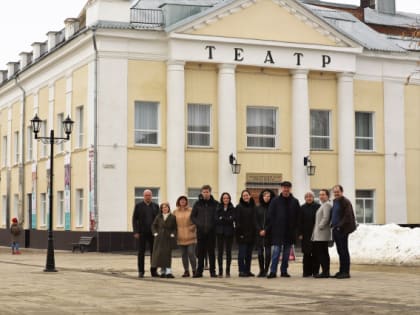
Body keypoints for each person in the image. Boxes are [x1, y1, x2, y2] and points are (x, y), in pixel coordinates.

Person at [267, 181, 301, 278]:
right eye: (284, 187)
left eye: (288, 188)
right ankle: (273, 271)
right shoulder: (275, 201)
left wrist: (296, 229)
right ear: (281, 188)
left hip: (290, 232)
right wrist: (274, 227)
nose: (286, 189)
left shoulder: (295, 201)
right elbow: (270, 215)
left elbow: (298, 216)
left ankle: (284, 271)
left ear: (290, 189)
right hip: (278, 232)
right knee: (276, 253)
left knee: (286, 254)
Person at [191, 185, 218, 278]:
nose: (206, 194)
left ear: (210, 192)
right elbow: (193, 217)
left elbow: (217, 216)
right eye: (204, 192)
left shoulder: (215, 204)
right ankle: (199, 271)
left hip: (212, 231)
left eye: (207, 192)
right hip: (201, 231)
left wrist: (213, 224)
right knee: (200, 252)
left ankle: (213, 271)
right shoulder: (197, 204)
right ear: (201, 193)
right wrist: (198, 224)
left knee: (211, 252)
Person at [132, 189, 160, 278]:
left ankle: (154, 271)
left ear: (151, 196)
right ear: (143, 196)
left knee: (154, 253)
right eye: (146, 195)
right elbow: (134, 219)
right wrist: (136, 231)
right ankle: (141, 271)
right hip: (142, 233)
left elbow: (159, 220)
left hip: (153, 233)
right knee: (141, 252)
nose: (148, 197)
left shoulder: (155, 206)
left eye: (149, 195)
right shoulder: (138, 206)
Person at [331, 185, 357, 279]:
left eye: (338, 192)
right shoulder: (335, 201)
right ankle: (341, 271)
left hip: (342, 230)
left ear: (342, 192)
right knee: (339, 251)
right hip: (336, 229)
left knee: (344, 251)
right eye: (334, 192)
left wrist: (339, 226)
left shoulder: (345, 202)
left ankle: (346, 272)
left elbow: (347, 216)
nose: (336, 193)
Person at [151, 202, 177, 278]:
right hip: (159, 238)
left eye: (166, 207)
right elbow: (153, 225)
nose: (164, 208)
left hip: (168, 237)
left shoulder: (172, 217)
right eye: (163, 207)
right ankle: (162, 271)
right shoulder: (158, 217)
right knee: (159, 255)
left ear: (168, 208)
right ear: (161, 209)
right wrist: (155, 233)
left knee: (167, 254)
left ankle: (168, 272)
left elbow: (175, 228)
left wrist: (173, 234)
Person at [173, 195, 197, 277]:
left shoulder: (191, 210)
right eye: (181, 200)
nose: (182, 202)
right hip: (180, 236)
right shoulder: (175, 212)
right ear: (178, 202)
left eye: (184, 200)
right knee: (183, 254)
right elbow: (173, 223)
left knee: (191, 253)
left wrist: (193, 227)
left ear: (186, 201)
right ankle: (186, 271)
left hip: (190, 235)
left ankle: (194, 270)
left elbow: (196, 220)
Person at [298, 191, 320, 277]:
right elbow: (299, 222)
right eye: (307, 196)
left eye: (310, 196)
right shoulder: (302, 208)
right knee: (306, 253)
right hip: (305, 234)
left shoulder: (318, 207)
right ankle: (306, 272)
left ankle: (315, 272)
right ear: (305, 198)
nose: (309, 198)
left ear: (313, 197)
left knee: (315, 253)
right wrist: (300, 233)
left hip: (316, 233)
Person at [312, 189, 333, 278]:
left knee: (322, 253)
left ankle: (325, 272)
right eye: (320, 194)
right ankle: (325, 271)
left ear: (327, 196)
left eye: (323, 194)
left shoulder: (327, 205)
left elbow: (326, 217)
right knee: (323, 253)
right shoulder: (323, 205)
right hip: (320, 233)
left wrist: (320, 227)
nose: (321, 196)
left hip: (322, 234)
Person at [235, 189, 257, 277]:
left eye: (247, 195)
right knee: (242, 255)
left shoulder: (253, 207)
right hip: (242, 235)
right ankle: (241, 271)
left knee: (249, 255)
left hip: (251, 235)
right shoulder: (239, 207)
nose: (246, 197)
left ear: (250, 196)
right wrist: (240, 234)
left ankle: (247, 271)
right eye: (244, 196)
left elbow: (255, 221)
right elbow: (237, 221)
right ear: (242, 197)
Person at [255, 189, 275, 277]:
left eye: (268, 196)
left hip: (268, 233)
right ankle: (261, 270)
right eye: (265, 196)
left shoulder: (272, 208)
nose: (267, 198)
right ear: (262, 197)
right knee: (259, 253)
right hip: (259, 234)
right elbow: (255, 220)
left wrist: (266, 230)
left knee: (267, 253)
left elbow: (272, 221)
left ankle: (266, 270)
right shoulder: (257, 207)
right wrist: (260, 230)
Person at [215, 192, 235, 277]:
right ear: (222, 199)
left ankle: (227, 271)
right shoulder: (218, 208)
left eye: (227, 198)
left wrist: (223, 218)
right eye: (224, 198)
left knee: (228, 252)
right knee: (220, 252)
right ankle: (220, 271)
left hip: (229, 232)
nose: (226, 199)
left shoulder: (232, 208)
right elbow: (216, 219)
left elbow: (232, 219)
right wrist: (227, 218)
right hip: (220, 232)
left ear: (229, 199)